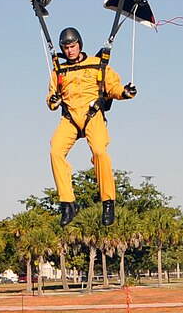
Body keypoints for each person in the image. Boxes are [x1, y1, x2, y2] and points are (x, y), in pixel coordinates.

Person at [46, 27, 133, 227]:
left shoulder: (96, 65)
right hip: (70, 117)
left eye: (73, 46)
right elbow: (51, 99)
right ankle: (68, 203)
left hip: (92, 114)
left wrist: (124, 92)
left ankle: (108, 202)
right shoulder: (59, 70)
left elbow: (112, 86)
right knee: (55, 151)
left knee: (100, 152)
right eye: (66, 48)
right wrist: (53, 100)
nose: (69, 51)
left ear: (80, 45)